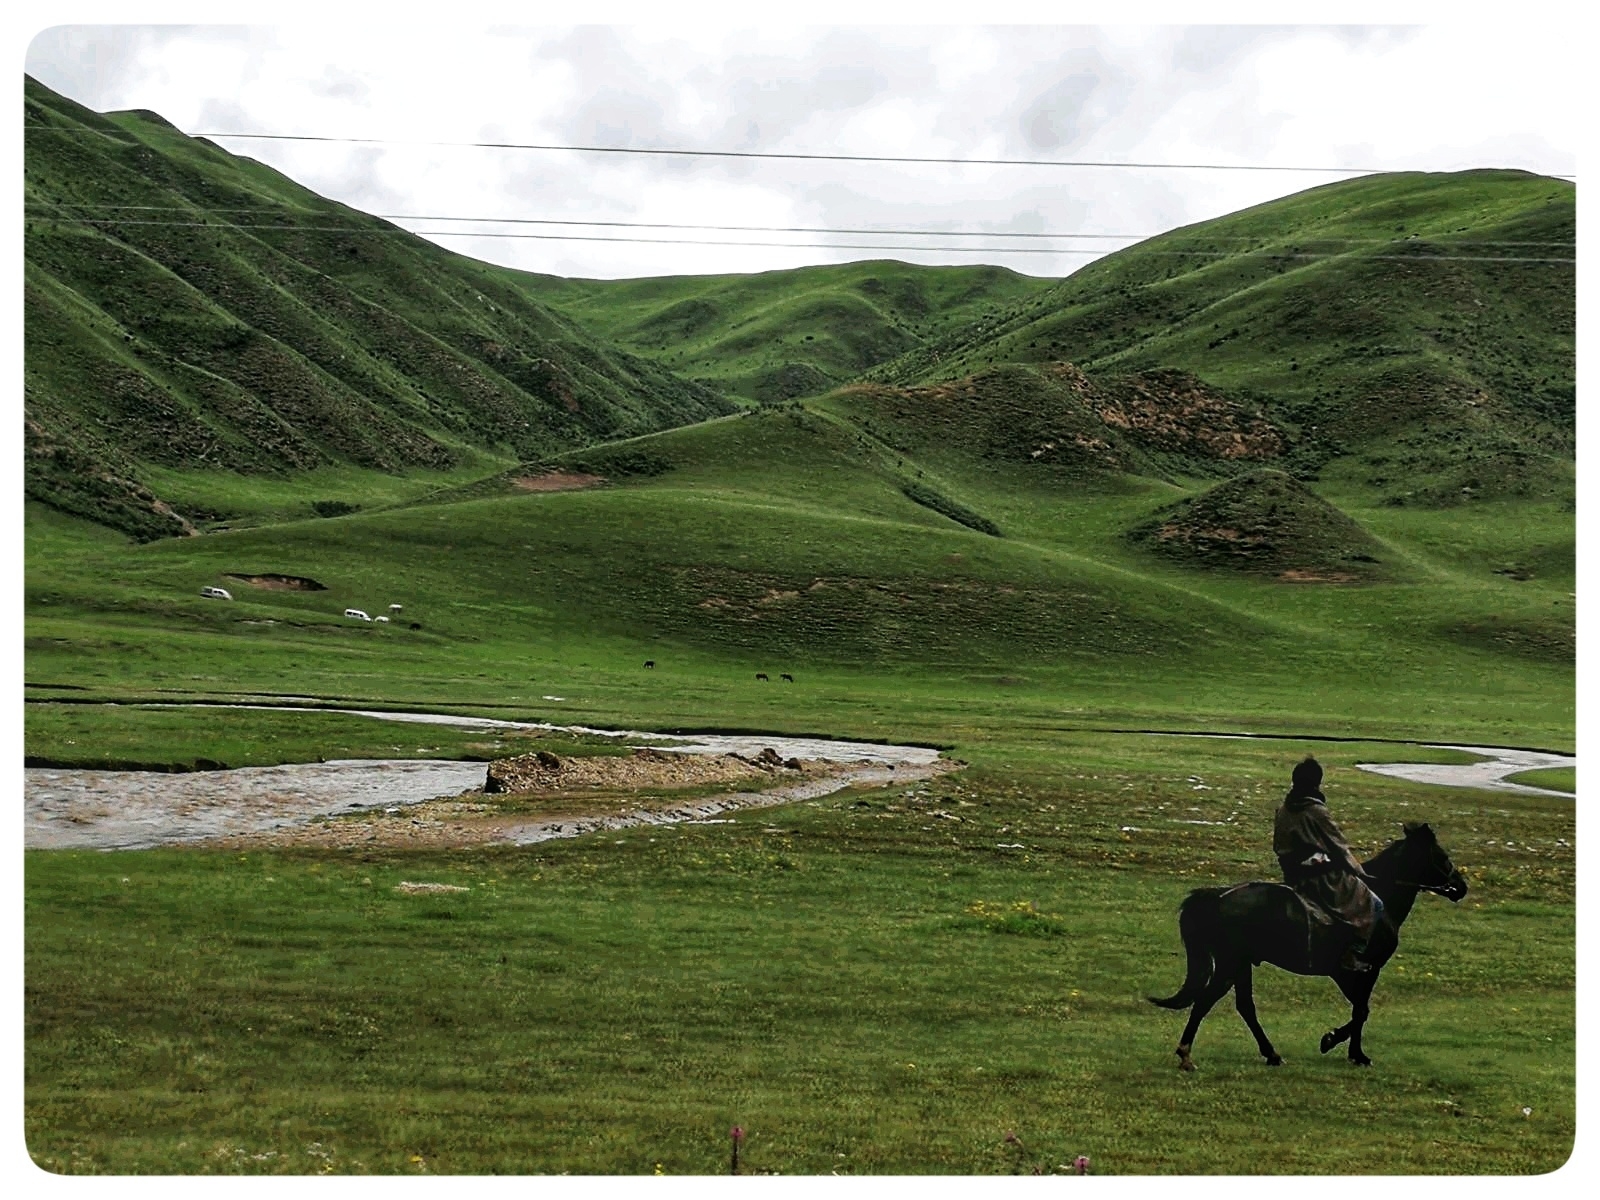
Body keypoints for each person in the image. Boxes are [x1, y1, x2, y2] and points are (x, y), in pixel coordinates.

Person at [1273, 756, 1384, 972]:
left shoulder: (1283, 809)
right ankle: (1352, 953)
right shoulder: (1317, 812)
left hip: (1293, 876)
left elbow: (1279, 845)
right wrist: (1360, 872)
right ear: (1317, 783)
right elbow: (1339, 847)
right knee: (1375, 904)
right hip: (1322, 879)